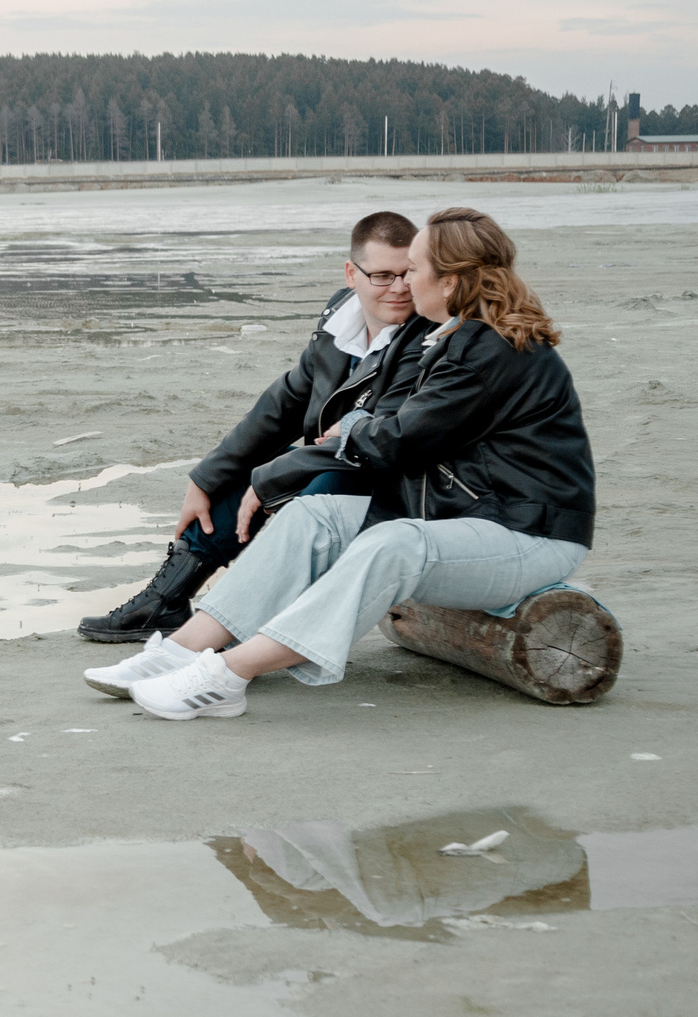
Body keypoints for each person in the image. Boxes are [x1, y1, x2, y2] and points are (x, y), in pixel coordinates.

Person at [82, 207, 593, 720]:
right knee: (314, 514)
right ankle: (181, 650)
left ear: (453, 281)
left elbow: (395, 438)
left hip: (530, 535)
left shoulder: (487, 350)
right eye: (392, 272)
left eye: (413, 269)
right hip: (467, 520)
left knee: (392, 544)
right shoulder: (453, 337)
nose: (405, 284)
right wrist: (232, 472)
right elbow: (313, 407)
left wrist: (348, 429)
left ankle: (226, 674)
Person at [77, 211, 429, 643]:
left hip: (398, 484)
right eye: (382, 276)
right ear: (351, 274)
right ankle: (166, 601)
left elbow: (379, 440)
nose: (398, 288)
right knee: (239, 475)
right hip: (338, 460)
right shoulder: (340, 317)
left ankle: (237, 621)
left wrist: (270, 479)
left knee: (312, 485)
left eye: (406, 273)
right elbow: (284, 403)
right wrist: (206, 478)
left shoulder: (426, 337)